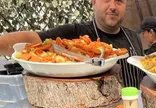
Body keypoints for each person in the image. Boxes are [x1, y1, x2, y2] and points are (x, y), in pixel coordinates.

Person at [0, 0, 144, 88]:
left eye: (119, 1)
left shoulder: (134, 37)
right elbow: (32, 39)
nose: (113, 6)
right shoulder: (74, 33)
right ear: (94, 2)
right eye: (106, 0)